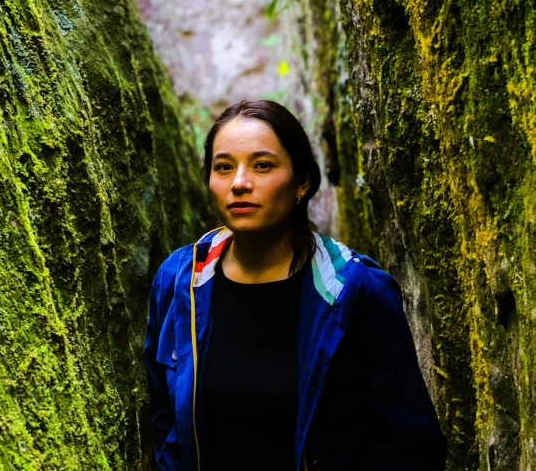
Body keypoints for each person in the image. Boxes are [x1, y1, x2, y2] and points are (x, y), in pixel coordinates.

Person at [145, 99, 448, 471]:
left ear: (301, 181)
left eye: (262, 165)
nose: (239, 183)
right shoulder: (179, 281)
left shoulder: (356, 291)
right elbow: (164, 417)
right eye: (223, 167)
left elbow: (411, 445)